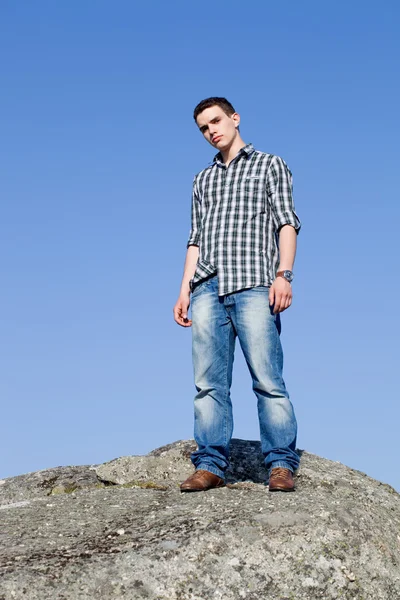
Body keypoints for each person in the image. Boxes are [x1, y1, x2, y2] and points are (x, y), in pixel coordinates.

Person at [173, 97, 301, 493]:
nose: (212, 131)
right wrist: (183, 290)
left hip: (255, 284)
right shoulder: (202, 180)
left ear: (234, 118)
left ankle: (280, 464)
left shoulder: (269, 164)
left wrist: (285, 275)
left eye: (216, 121)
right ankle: (210, 464)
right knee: (209, 383)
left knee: (267, 379)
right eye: (203, 128)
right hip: (207, 288)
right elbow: (195, 239)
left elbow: (287, 222)